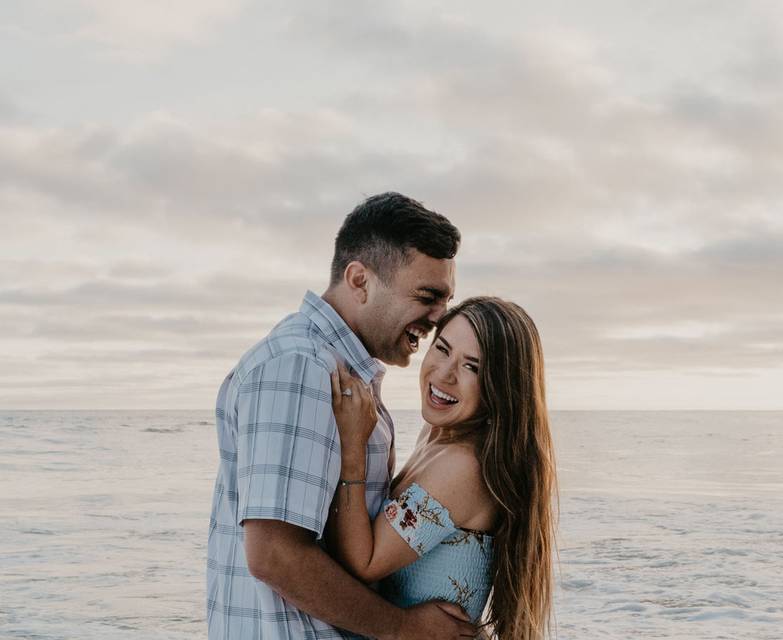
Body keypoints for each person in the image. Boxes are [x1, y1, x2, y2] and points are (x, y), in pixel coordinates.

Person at [206, 192, 476, 640]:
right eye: (428, 297)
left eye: (445, 302)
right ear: (359, 280)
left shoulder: (342, 371)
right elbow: (274, 554)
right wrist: (402, 628)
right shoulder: (299, 366)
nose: (438, 320)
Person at [326, 297, 557, 640]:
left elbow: (364, 563)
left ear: (500, 388)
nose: (445, 374)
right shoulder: (435, 435)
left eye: (472, 367)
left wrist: (351, 450)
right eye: (443, 349)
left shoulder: (464, 466)